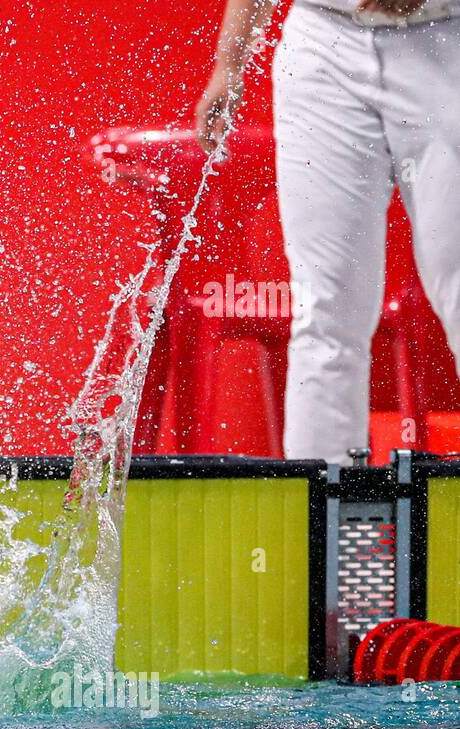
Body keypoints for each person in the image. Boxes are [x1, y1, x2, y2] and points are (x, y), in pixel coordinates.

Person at [196, 0, 460, 463]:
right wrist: (229, 62)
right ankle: (323, 520)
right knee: (325, 308)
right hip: (324, 46)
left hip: (446, 41)